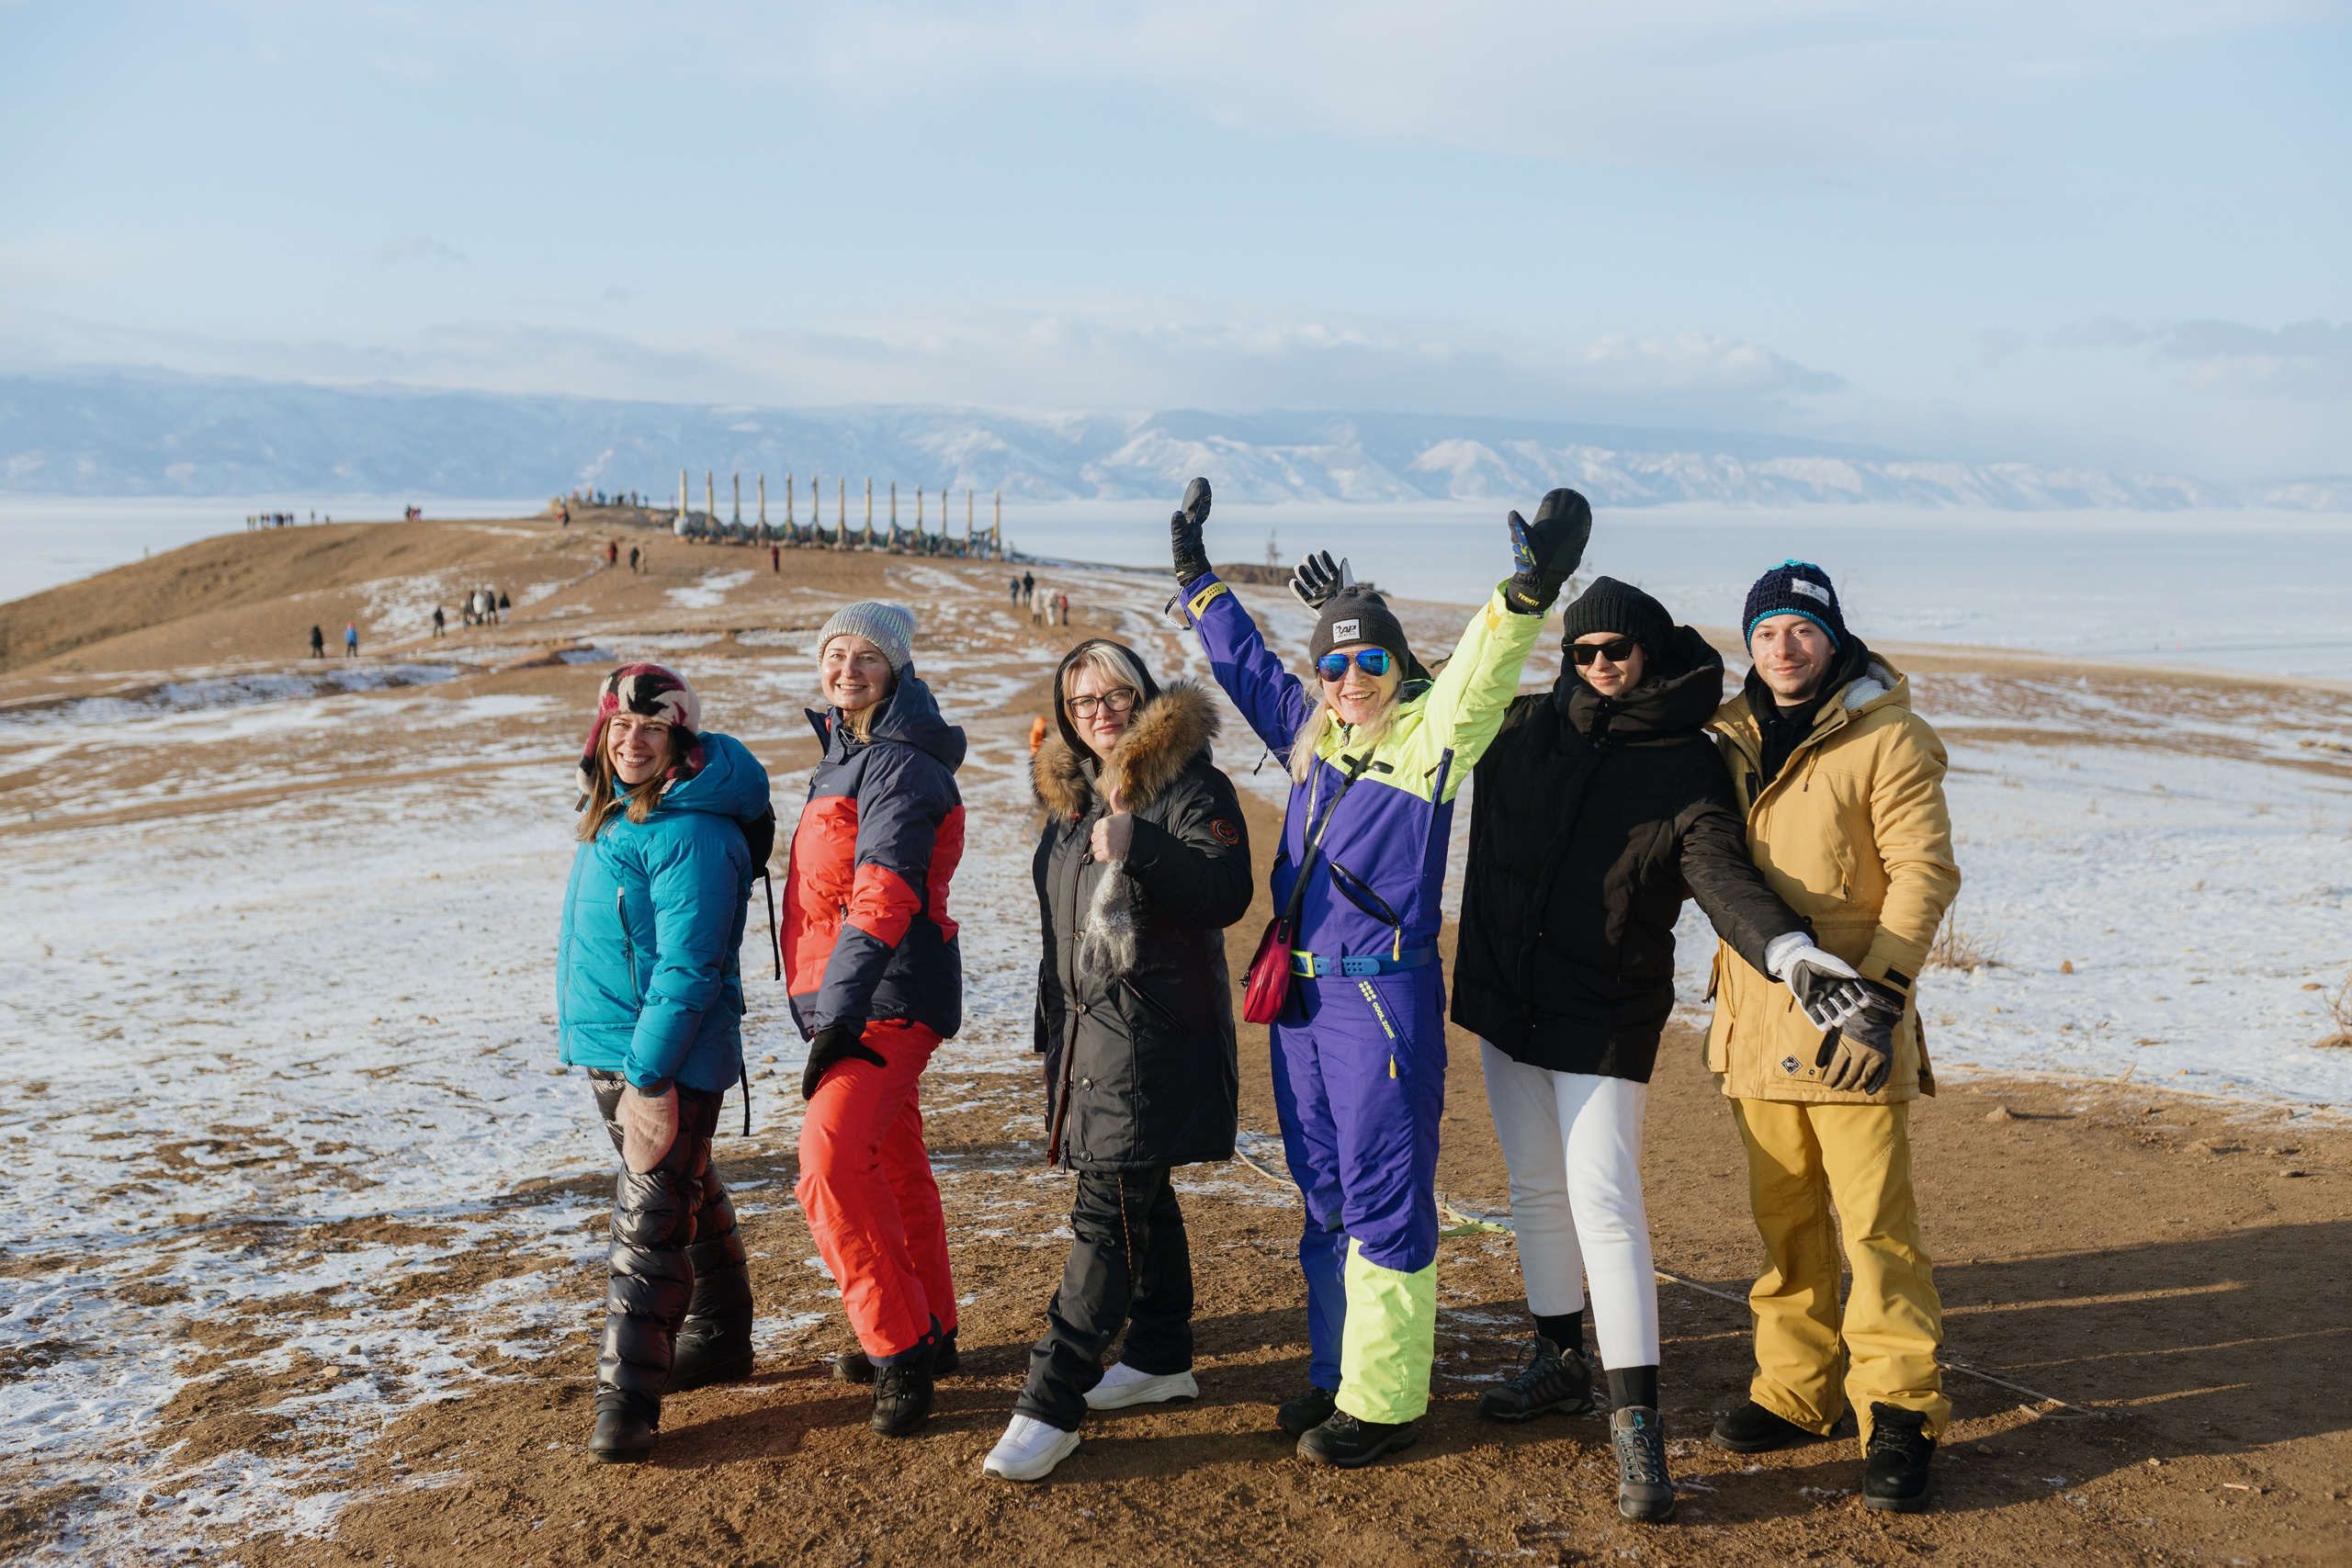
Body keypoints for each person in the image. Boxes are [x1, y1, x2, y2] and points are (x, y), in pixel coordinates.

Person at [1167, 478, 1585, 1467]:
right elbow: (1245, 666)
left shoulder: (1430, 742)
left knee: (1384, 1192)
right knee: (1321, 1192)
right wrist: (1196, 577)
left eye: (1369, 662)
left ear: (1398, 667)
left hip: (1380, 997)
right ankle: (1336, 1371)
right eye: (1335, 664)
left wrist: (1523, 597)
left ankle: (1385, 1400)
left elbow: (1477, 677)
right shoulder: (1312, 739)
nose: (1350, 678)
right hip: (1302, 1001)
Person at [1451, 576, 1871, 1523]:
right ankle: (1557, 1359)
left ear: (1646, 651)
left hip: (1603, 1009)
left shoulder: (1684, 761)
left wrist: (1790, 952)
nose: (1600, 665)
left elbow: (1719, 870)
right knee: (1533, 1188)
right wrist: (1353, 622)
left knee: (1604, 1201)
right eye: (1584, 651)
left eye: (1617, 649)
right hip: (1505, 995)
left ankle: (1636, 1422)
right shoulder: (1519, 726)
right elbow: (1424, 700)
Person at [1703, 560, 1961, 1514]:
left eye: (1802, 630)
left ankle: (1899, 1411)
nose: (1784, 647)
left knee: (1876, 1231)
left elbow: (1924, 872)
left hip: (1852, 1025)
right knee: (1785, 1224)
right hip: (1754, 1022)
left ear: (1834, 637)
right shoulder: (1728, 737)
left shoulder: (1888, 736)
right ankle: (1795, 1390)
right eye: (1767, 631)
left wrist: (1880, 995)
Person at [983, 640, 1254, 1482]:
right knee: (1141, 1195)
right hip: (1088, 1038)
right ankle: (1161, 1354)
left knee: (1107, 1214)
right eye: (1082, 700)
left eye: (1115, 695)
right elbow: (1060, 933)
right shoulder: (1072, 797)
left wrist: (1142, 844)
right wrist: (1051, 1036)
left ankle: (1050, 1401)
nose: (1099, 712)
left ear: (1144, 697)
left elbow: (1227, 892)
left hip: (1154, 1038)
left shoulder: (1190, 786)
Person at [556, 664, 773, 1463]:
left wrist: (648, 1076)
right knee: (685, 1184)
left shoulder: (694, 831)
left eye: (652, 726)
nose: (633, 740)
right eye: (620, 724)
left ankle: (626, 1402)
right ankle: (719, 1334)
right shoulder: (618, 813)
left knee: (648, 1220)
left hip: (664, 1054)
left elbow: (688, 969)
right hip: (617, 1044)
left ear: (681, 739)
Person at [785, 602, 967, 1438]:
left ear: (896, 668)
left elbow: (884, 893)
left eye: (866, 656)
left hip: (882, 1001)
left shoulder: (896, 759)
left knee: (827, 1160)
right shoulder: (849, 752)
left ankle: (898, 1348)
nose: (847, 669)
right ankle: (932, 1322)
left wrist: (840, 1013)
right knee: (891, 1162)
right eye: (836, 654)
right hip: (863, 996)